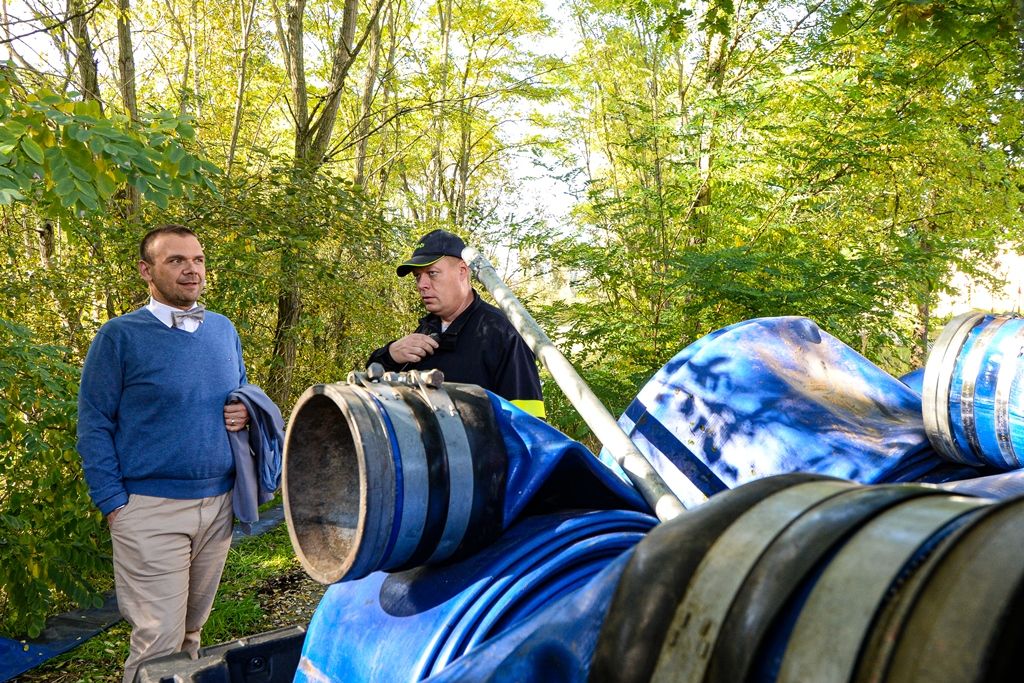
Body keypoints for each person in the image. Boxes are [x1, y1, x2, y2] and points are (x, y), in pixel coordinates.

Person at [76, 224, 250, 683]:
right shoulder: (119, 337)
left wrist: (243, 413)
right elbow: (94, 423)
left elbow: (242, 394)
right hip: (149, 510)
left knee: (192, 635)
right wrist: (114, 504)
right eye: (176, 260)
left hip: (218, 504)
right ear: (146, 271)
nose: (191, 269)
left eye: (197, 259)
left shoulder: (222, 329)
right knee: (158, 644)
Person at [368, 228, 545, 418]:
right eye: (418, 276)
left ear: (462, 271)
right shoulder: (427, 329)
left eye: (432, 273)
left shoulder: (503, 333)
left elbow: (529, 425)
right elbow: (375, 394)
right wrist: (390, 355)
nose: (421, 284)